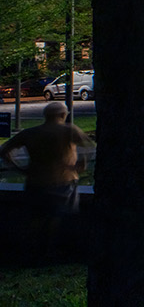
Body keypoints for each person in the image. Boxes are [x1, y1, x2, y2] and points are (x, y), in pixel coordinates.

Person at [0, 101, 92, 252]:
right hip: (64, 181)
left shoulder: (30, 133)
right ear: (63, 115)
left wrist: (18, 168)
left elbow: (4, 150)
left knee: (36, 219)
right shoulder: (68, 131)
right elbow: (89, 146)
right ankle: (54, 251)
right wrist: (83, 164)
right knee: (60, 219)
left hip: (36, 182)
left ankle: (33, 250)